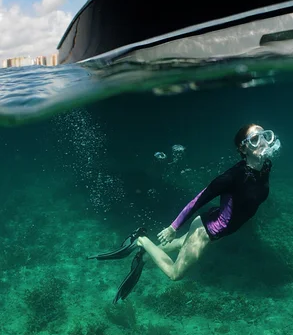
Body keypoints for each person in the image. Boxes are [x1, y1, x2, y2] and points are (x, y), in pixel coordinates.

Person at [87, 123, 279, 303]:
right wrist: (173, 227)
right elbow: (198, 200)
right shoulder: (231, 177)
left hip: (218, 226)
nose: (262, 141)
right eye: (255, 139)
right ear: (243, 149)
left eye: (265, 136)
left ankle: (144, 256)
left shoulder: (265, 166)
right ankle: (141, 240)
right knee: (175, 274)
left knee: (179, 244)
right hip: (207, 231)